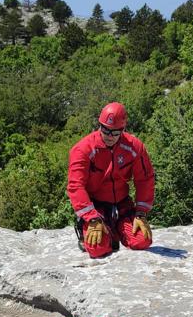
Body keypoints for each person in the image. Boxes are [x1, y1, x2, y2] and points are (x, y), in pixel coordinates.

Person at [67, 101, 156, 259]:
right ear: (99, 125)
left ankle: (114, 230)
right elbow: (75, 186)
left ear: (123, 130)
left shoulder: (135, 148)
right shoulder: (83, 149)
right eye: (105, 130)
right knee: (97, 249)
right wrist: (91, 218)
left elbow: (145, 179)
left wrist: (141, 213)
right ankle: (90, 228)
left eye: (115, 133)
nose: (109, 136)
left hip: (122, 204)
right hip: (96, 207)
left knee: (143, 241)